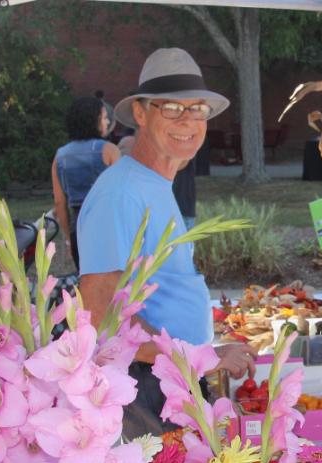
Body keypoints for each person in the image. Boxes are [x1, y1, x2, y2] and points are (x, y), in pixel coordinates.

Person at [76, 48, 257, 437]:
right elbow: (101, 315)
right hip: (146, 390)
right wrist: (202, 357)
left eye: (198, 109)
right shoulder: (121, 193)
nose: (188, 121)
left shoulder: (154, 183)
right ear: (140, 114)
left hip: (169, 379)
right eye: (172, 108)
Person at [51, 96, 120, 270]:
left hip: (79, 230)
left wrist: (68, 238)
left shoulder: (60, 155)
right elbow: (123, 195)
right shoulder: (109, 150)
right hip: (109, 227)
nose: (107, 122)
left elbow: (59, 203)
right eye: (104, 118)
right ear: (94, 120)